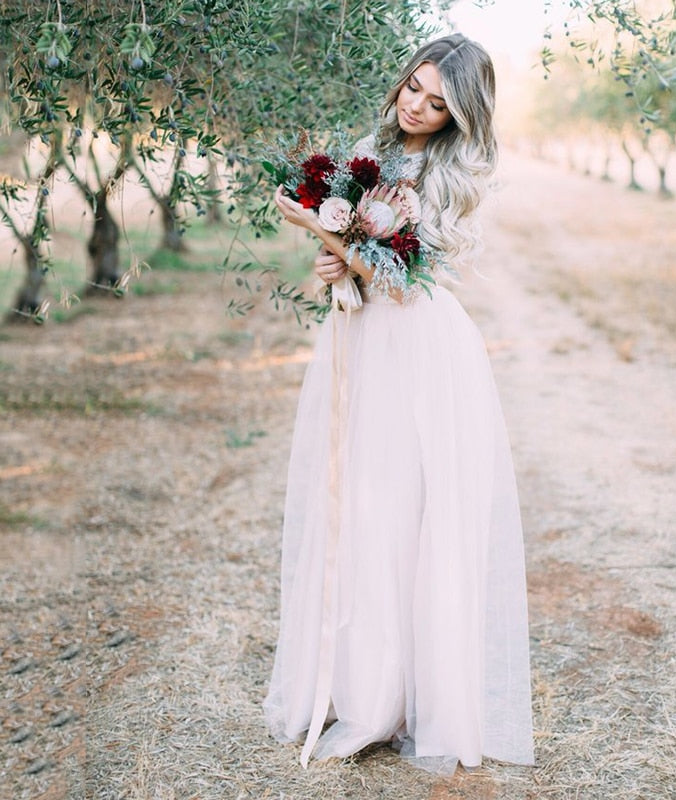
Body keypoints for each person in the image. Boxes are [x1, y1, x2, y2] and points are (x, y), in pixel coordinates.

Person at [264, 33, 534, 775]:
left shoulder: (454, 175)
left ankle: (410, 697)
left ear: (460, 114)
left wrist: (329, 236)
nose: (416, 105)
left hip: (417, 349)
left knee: (405, 511)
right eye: (414, 87)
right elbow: (356, 262)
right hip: (358, 338)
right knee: (355, 509)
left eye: (438, 101)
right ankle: (364, 684)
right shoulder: (368, 151)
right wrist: (329, 260)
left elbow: (406, 280)